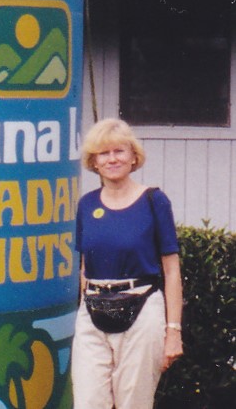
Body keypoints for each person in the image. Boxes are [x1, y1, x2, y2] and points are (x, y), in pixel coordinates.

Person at [72, 118, 183, 409]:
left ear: (133, 156)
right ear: (93, 161)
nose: (112, 159)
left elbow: (171, 271)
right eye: (103, 153)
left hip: (142, 309)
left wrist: (173, 331)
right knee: (88, 401)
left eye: (119, 151)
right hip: (93, 310)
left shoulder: (154, 201)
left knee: (134, 402)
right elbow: (84, 266)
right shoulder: (86, 205)